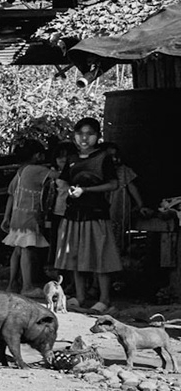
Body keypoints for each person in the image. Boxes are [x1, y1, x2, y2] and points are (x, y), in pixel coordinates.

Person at [54, 117, 124, 312]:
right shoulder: (72, 158)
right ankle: (80, 296)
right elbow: (62, 181)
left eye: (90, 134)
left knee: (100, 257)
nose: (84, 138)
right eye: (80, 134)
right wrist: (67, 188)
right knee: (75, 256)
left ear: (98, 136)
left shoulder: (104, 158)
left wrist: (85, 191)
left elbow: (113, 184)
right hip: (73, 214)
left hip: (96, 213)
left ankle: (104, 299)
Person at [1, 141, 54, 295]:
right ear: (38, 155)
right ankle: (27, 286)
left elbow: (11, 194)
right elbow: (60, 176)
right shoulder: (38, 170)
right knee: (27, 250)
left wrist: (6, 217)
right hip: (29, 216)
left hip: (17, 215)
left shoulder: (20, 171)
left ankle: (12, 284)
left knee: (17, 250)